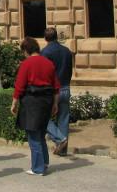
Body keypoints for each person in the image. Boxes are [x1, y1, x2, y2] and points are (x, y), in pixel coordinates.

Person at [11, 37, 60, 176]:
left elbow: (20, 85)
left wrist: (14, 103)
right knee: (41, 133)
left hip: (32, 102)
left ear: (26, 50)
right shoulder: (48, 63)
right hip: (46, 101)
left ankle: (37, 168)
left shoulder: (26, 63)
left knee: (33, 135)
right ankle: (44, 163)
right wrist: (55, 104)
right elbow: (56, 86)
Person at [41, 28, 73, 157]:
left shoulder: (45, 52)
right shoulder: (67, 51)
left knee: (43, 117)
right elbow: (70, 69)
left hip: (52, 89)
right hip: (65, 87)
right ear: (56, 37)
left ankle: (59, 139)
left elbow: (44, 73)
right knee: (63, 119)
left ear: (45, 38)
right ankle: (63, 150)